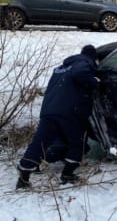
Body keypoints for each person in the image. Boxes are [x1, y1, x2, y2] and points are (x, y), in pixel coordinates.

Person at [16, 45, 100, 189]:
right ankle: (67, 174)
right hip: (70, 111)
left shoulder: (60, 68)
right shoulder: (84, 62)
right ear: (92, 57)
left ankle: (23, 178)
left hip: (49, 110)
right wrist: (95, 82)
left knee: (40, 143)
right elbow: (79, 74)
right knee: (77, 142)